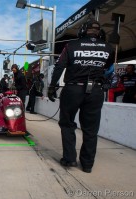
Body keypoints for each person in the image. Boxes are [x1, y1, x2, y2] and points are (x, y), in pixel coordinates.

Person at [47, 19, 114, 173]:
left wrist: (52, 87)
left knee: (67, 124)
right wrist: (104, 83)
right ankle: (87, 165)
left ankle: (70, 159)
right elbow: (110, 70)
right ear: (99, 32)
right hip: (96, 91)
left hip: (73, 90)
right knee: (91, 130)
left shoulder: (71, 45)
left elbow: (59, 66)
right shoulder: (108, 48)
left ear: (83, 30)